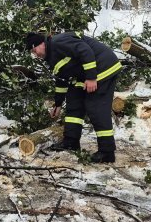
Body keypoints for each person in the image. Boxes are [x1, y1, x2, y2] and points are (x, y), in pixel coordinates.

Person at [26, 31, 121, 163]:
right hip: (84, 75)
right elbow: (62, 80)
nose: (35, 54)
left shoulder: (58, 42)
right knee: (74, 102)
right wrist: (58, 104)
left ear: (41, 43)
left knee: (96, 108)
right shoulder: (52, 56)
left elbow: (85, 51)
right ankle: (71, 141)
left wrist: (91, 77)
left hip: (103, 68)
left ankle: (107, 152)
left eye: (34, 50)